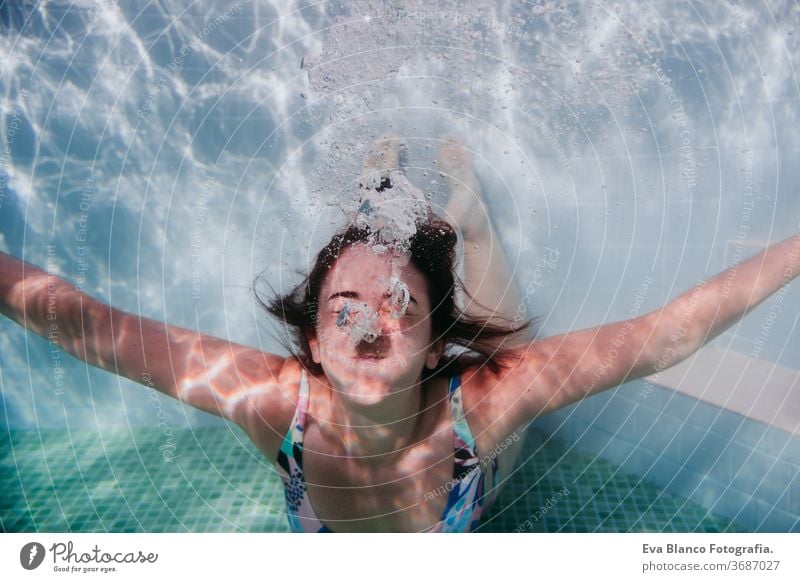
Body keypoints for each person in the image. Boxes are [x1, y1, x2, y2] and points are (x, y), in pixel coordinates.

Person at [1, 137, 798, 533]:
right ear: (310, 342)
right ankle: (377, 185)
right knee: (377, 253)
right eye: (344, 309)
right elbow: (85, 325)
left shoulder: (483, 400)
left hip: (491, 462)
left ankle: (468, 208)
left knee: (482, 275)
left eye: (402, 309)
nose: (373, 325)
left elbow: (669, 334)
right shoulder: (276, 403)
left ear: (435, 340)